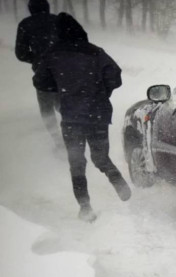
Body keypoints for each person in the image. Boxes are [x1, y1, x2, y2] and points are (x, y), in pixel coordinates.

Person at [33, 13, 131, 222]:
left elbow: (40, 82)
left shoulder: (53, 54)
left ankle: (85, 207)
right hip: (97, 115)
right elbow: (115, 75)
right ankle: (120, 186)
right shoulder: (95, 52)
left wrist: (60, 88)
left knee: (76, 163)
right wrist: (101, 92)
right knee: (100, 158)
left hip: (71, 117)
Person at [15, 0, 63, 149]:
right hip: (63, 72)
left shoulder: (25, 25)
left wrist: (37, 59)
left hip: (43, 75)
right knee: (65, 106)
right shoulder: (58, 21)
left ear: (30, 9)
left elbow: (21, 53)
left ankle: (58, 141)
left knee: (47, 110)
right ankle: (74, 137)